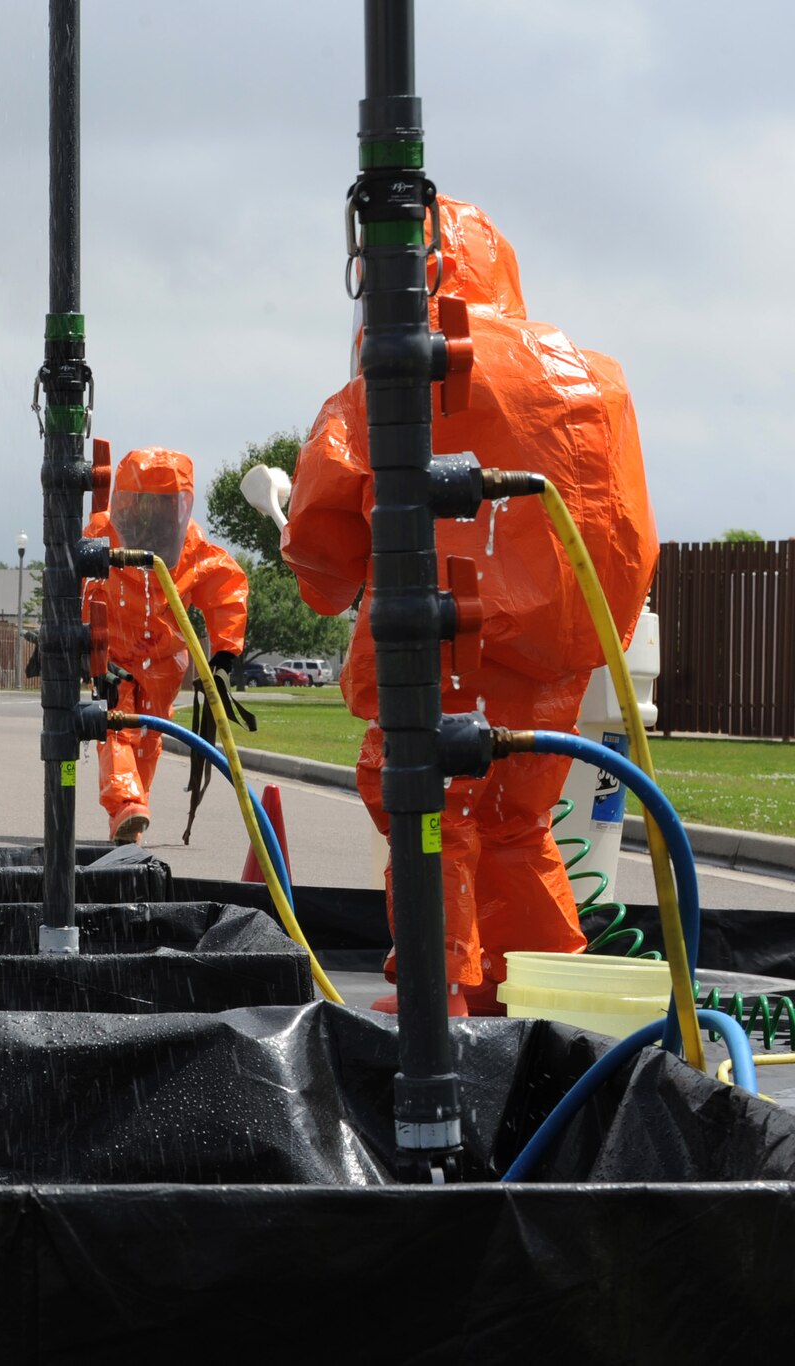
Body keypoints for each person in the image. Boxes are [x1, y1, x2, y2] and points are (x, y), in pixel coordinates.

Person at [284, 195, 658, 1016]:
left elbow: (322, 543)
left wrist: (333, 571)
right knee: (520, 823)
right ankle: (556, 991)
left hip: (440, 648)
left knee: (424, 803)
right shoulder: (595, 382)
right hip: (556, 672)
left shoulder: (401, 368)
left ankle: (439, 991)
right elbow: (628, 539)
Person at [83, 447, 247, 844]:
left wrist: (225, 654)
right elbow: (79, 589)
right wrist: (88, 649)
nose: (151, 512)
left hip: (164, 662)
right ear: (128, 499)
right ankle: (126, 805)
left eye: (163, 504)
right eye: (145, 501)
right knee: (116, 727)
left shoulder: (191, 545)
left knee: (150, 737)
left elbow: (225, 589)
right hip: (114, 656)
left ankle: (132, 810)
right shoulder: (100, 535)